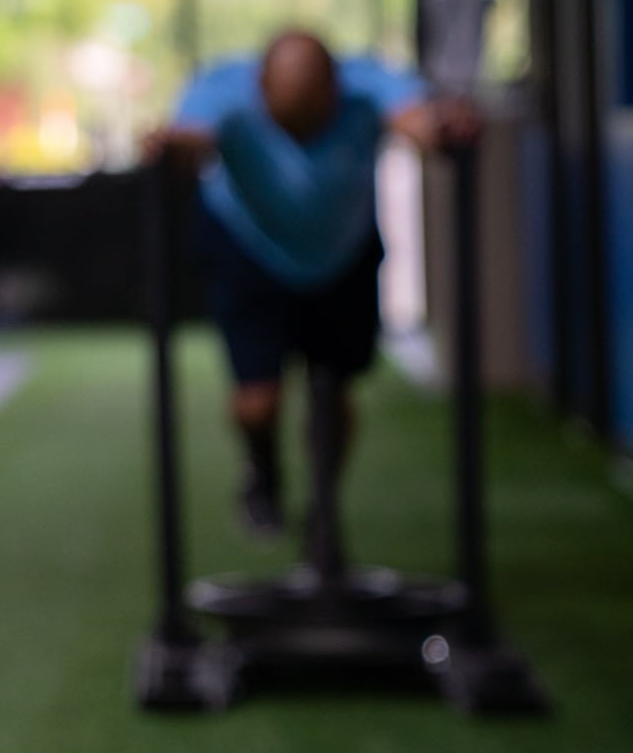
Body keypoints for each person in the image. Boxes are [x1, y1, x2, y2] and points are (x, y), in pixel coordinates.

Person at [146, 29, 472, 539]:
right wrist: (168, 148)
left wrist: (445, 128)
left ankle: (323, 501)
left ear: (335, 89)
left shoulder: (371, 82)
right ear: (259, 89)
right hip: (246, 244)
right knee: (258, 400)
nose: (301, 138)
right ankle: (263, 475)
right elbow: (190, 138)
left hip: (342, 247)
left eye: (313, 119)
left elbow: (417, 124)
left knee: (333, 387)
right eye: (286, 122)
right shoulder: (218, 89)